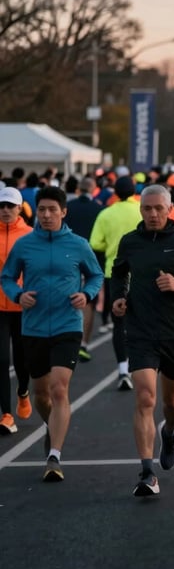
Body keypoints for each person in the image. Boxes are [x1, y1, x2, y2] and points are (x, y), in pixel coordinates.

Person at [111, 184, 174, 497]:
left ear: (170, 209)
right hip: (140, 330)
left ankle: (168, 432)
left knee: (172, 402)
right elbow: (118, 273)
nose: (153, 214)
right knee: (145, 397)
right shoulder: (130, 242)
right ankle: (146, 472)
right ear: (140, 209)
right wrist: (118, 298)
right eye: (147, 209)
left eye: (158, 208)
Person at [0, 186, 103, 480]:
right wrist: (18, 295)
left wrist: (86, 293)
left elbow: (95, 274)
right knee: (41, 394)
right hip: (32, 326)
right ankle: (52, 426)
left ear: (63, 212)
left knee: (59, 389)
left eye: (52, 210)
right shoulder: (25, 244)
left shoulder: (78, 244)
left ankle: (54, 457)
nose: (46, 215)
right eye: (42, 209)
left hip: (67, 325)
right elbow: (7, 277)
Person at [89, 175, 143, 390]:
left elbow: (95, 243)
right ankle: (143, 367)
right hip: (143, 272)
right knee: (142, 320)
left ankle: (122, 369)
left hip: (115, 272)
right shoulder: (142, 209)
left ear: (115, 193)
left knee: (119, 322)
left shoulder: (106, 213)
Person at [0, 187, 32, 435]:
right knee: (1, 360)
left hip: (23, 307)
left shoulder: (31, 236)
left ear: (20, 208)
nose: (5, 210)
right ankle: (7, 414)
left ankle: (23, 391)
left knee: (22, 360)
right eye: (1, 205)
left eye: (10, 206)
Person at [64, 176, 103, 362]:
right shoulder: (100, 209)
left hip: (67, 257)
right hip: (92, 258)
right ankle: (84, 343)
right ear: (94, 189)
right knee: (88, 301)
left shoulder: (68, 208)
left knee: (66, 297)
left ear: (79, 189)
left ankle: (65, 339)